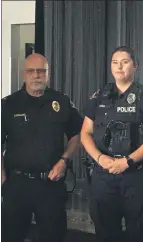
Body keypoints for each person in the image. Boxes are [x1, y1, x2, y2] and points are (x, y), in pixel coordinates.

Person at [81, 46, 143, 242]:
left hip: (136, 176)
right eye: (115, 62)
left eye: (125, 62)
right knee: (105, 232)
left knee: (137, 233)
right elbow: (85, 133)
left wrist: (128, 161)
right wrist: (100, 158)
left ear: (135, 66)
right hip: (104, 175)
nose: (119, 67)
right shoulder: (100, 96)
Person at [1, 53, 83, 242]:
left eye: (41, 71)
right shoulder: (8, 104)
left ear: (48, 74)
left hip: (50, 185)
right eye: (31, 71)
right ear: (24, 74)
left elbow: (77, 134)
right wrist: (2, 173)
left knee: (52, 236)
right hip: (16, 184)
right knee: (11, 236)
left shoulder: (61, 102)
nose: (37, 75)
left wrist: (64, 160)